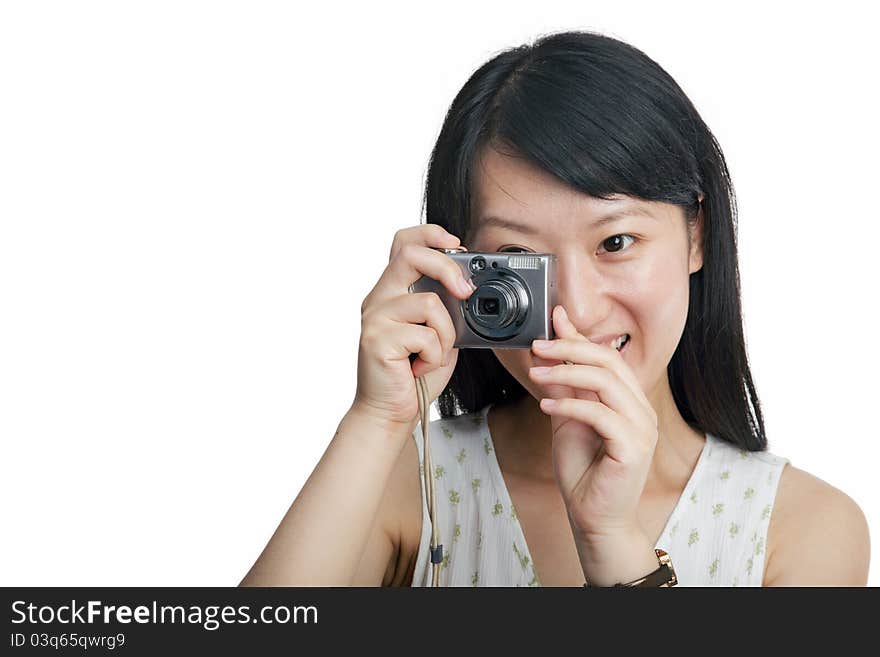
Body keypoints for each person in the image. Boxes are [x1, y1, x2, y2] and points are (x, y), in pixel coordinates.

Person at [240, 30, 870, 587]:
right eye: (516, 253)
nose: (577, 310)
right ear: (461, 270)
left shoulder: (801, 527)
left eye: (616, 242)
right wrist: (376, 418)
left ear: (696, 234)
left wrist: (614, 548)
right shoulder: (409, 482)